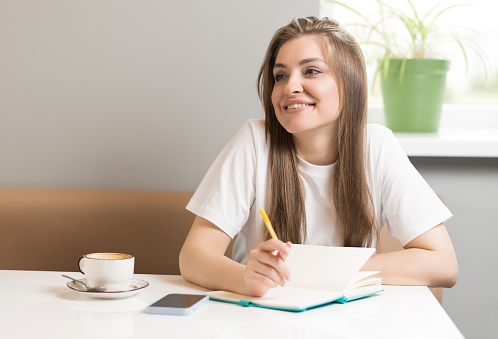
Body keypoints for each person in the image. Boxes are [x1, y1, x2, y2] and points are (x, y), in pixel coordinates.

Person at [179, 16, 458, 297]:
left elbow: (443, 264)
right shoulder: (254, 141)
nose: (290, 87)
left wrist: (321, 272)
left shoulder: (377, 145)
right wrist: (245, 278)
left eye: (311, 71)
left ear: (348, 85)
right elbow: (193, 256)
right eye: (280, 76)